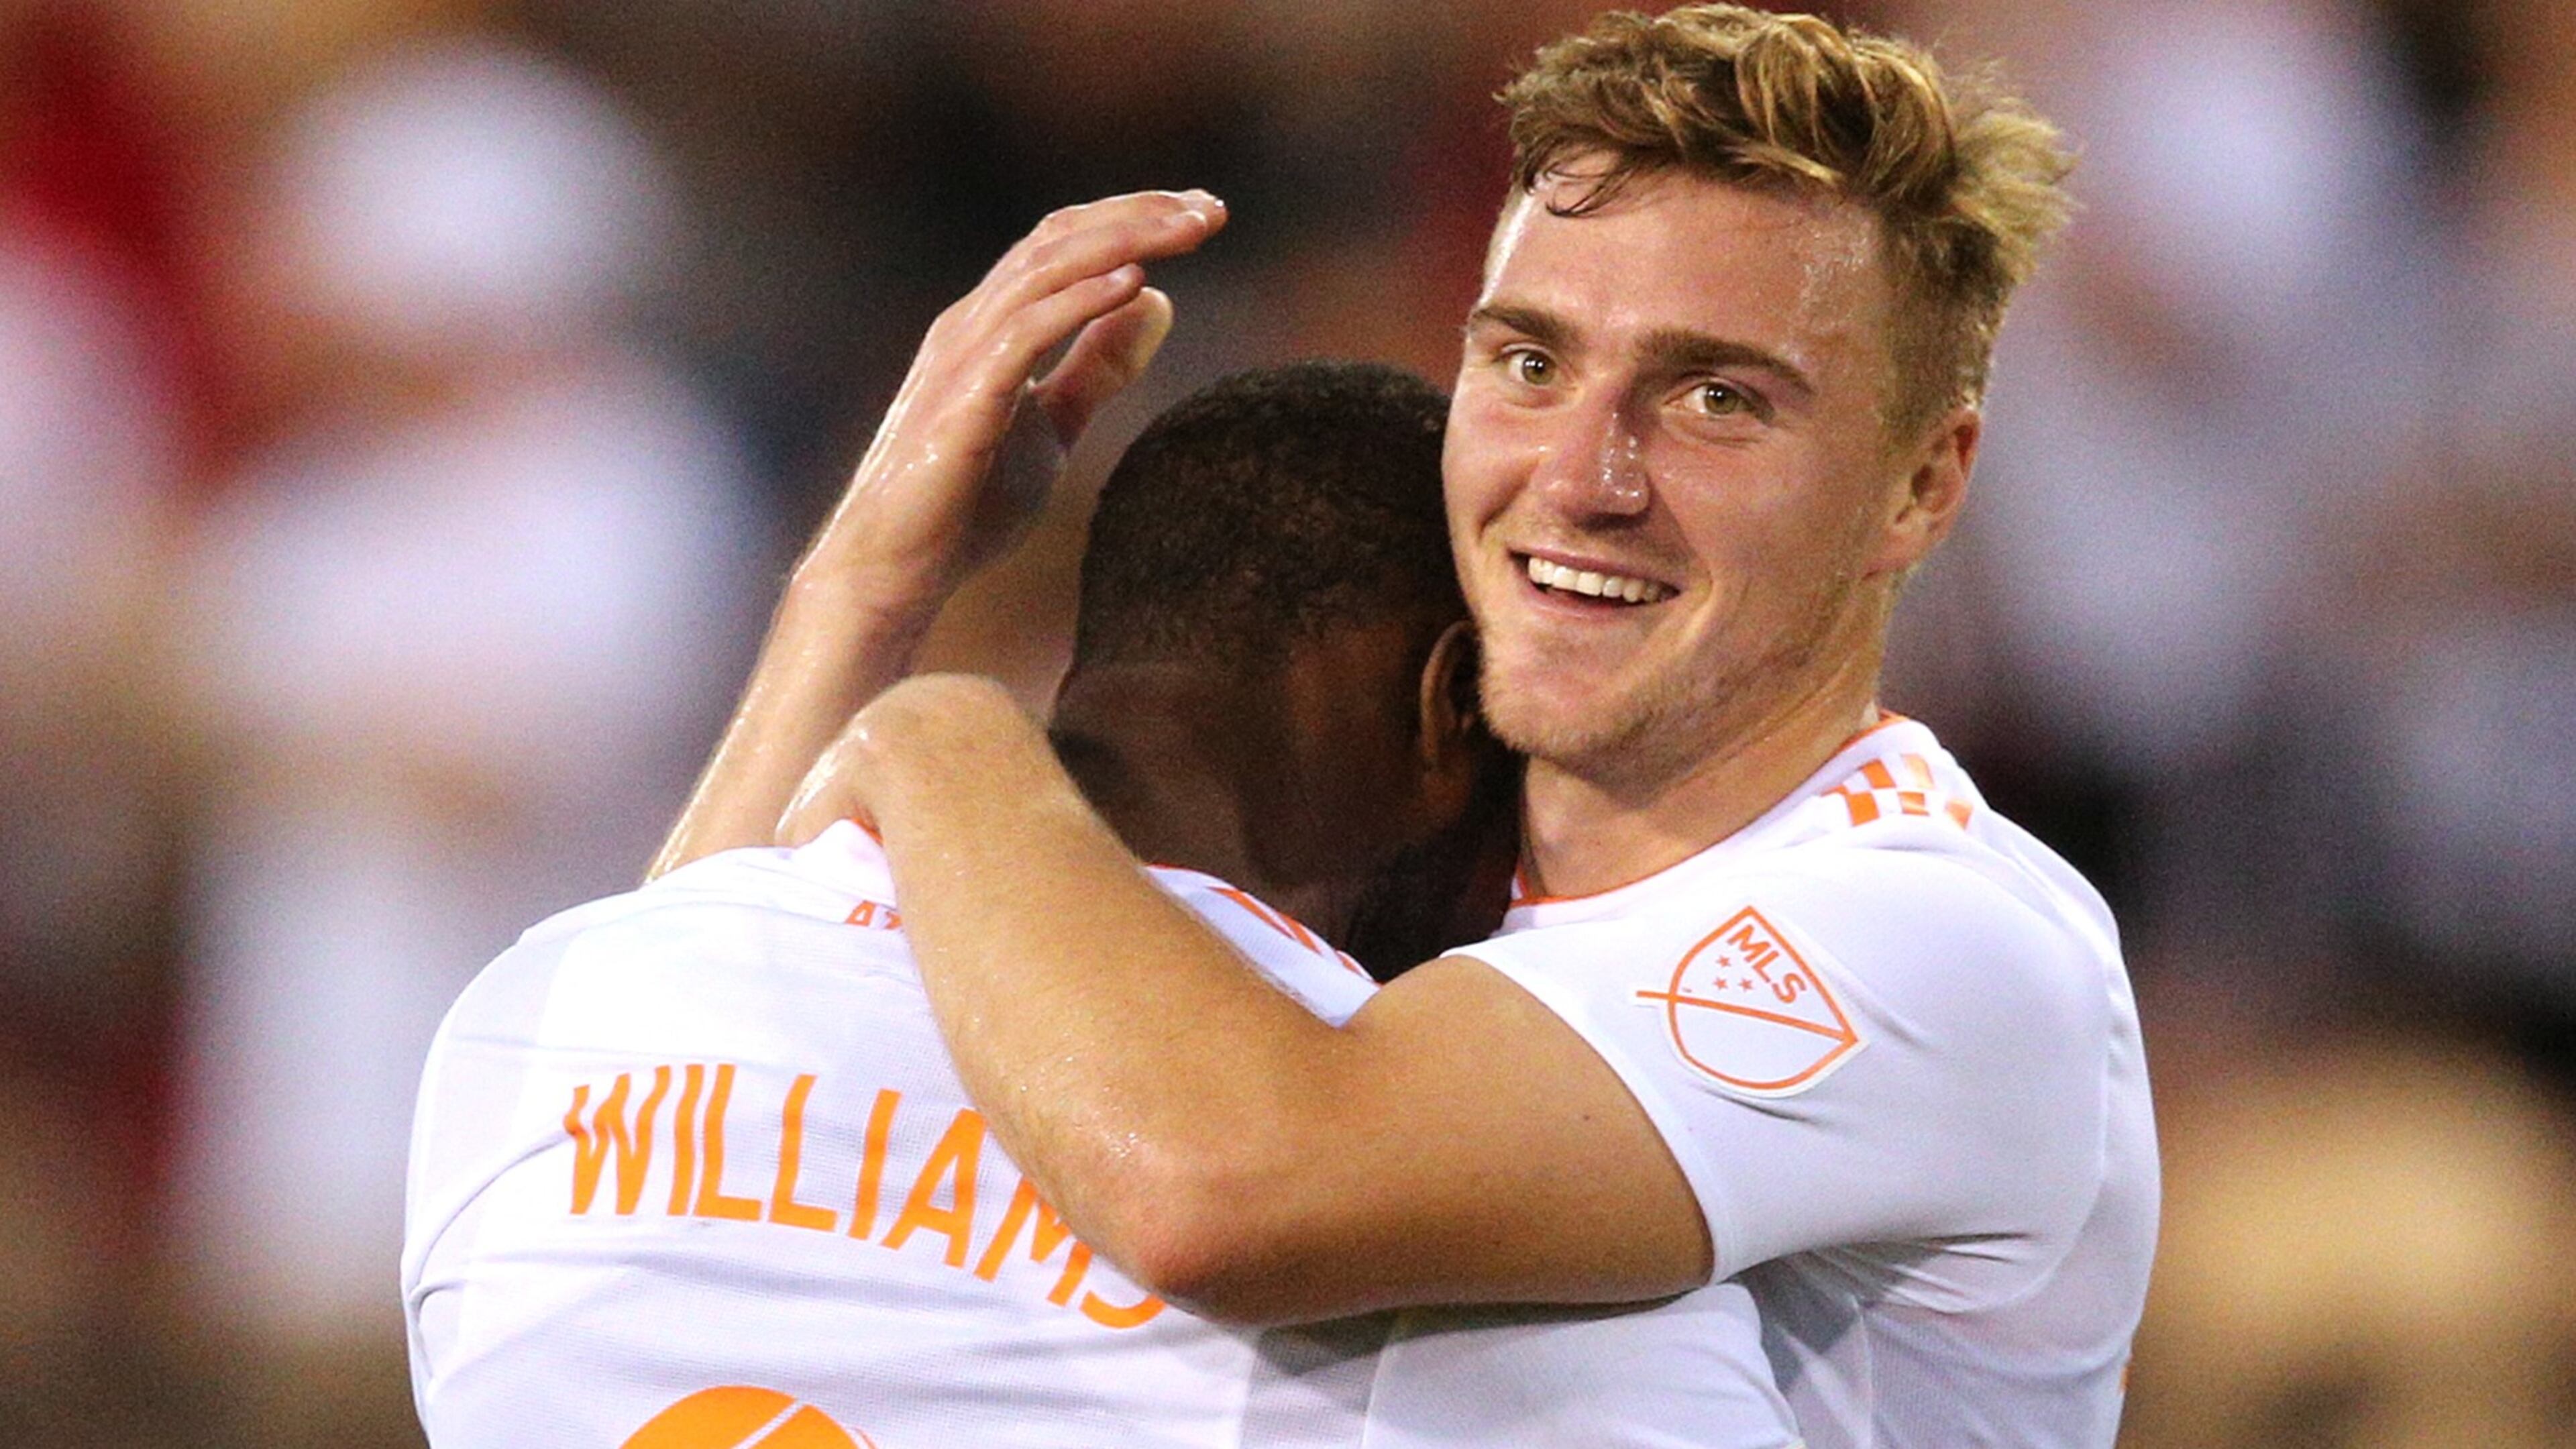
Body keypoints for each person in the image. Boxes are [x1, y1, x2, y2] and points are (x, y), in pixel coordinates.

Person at [678, 7, 2157, 1445]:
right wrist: (867, 585)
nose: (1584, 475)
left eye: (1715, 398)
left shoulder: (1943, 943)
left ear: (1923, 483)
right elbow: (655, 1106)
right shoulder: (1378, 844)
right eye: (1529, 364)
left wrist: (936, 732)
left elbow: (1220, 1191)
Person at [403, 360, 1598, 1447]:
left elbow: (706, 972)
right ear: (1451, 702)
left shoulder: (524, 1025)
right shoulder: (1429, 1194)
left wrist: (860, 592)